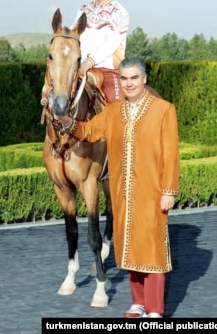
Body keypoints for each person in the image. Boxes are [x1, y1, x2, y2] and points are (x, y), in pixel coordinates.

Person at [57, 56, 179, 318]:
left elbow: (171, 153)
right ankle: (138, 303)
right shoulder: (113, 112)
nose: (129, 83)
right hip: (122, 191)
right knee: (129, 244)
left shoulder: (164, 110)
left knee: (152, 247)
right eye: (124, 79)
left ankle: (155, 309)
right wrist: (68, 122)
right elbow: (89, 132)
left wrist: (169, 190)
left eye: (134, 78)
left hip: (153, 191)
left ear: (144, 79)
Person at [71, 0, 130, 103]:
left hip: (107, 72)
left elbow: (111, 45)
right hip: (79, 70)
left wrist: (88, 62)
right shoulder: (83, 10)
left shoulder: (120, 12)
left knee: (115, 113)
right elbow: (74, 38)